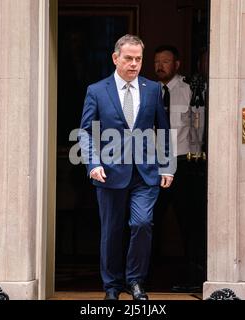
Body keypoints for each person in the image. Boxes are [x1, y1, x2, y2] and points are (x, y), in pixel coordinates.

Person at [79, 35, 174, 300]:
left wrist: (167, 166)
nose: (134, 64)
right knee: (111, 231)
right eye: (128, 58)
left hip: (146, 173)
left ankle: (136, 282)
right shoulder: (96, 90)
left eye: (138, 59)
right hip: (109, 173)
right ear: (115, 58)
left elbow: (163, 130)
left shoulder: (154, 89)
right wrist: (93, 163)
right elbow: (86, 132)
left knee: (142, 223)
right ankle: (111, 287)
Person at [153, 45, 207, 293]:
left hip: (183, 164)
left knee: (188, 223)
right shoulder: (149, 91)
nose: (160, 66)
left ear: (176, 64)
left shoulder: (190, 90)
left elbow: (199, 128)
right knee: (148, 222)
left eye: (165, 61)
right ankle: (145, 276)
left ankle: (193, 276)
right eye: (156, 61)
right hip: (153, 165)